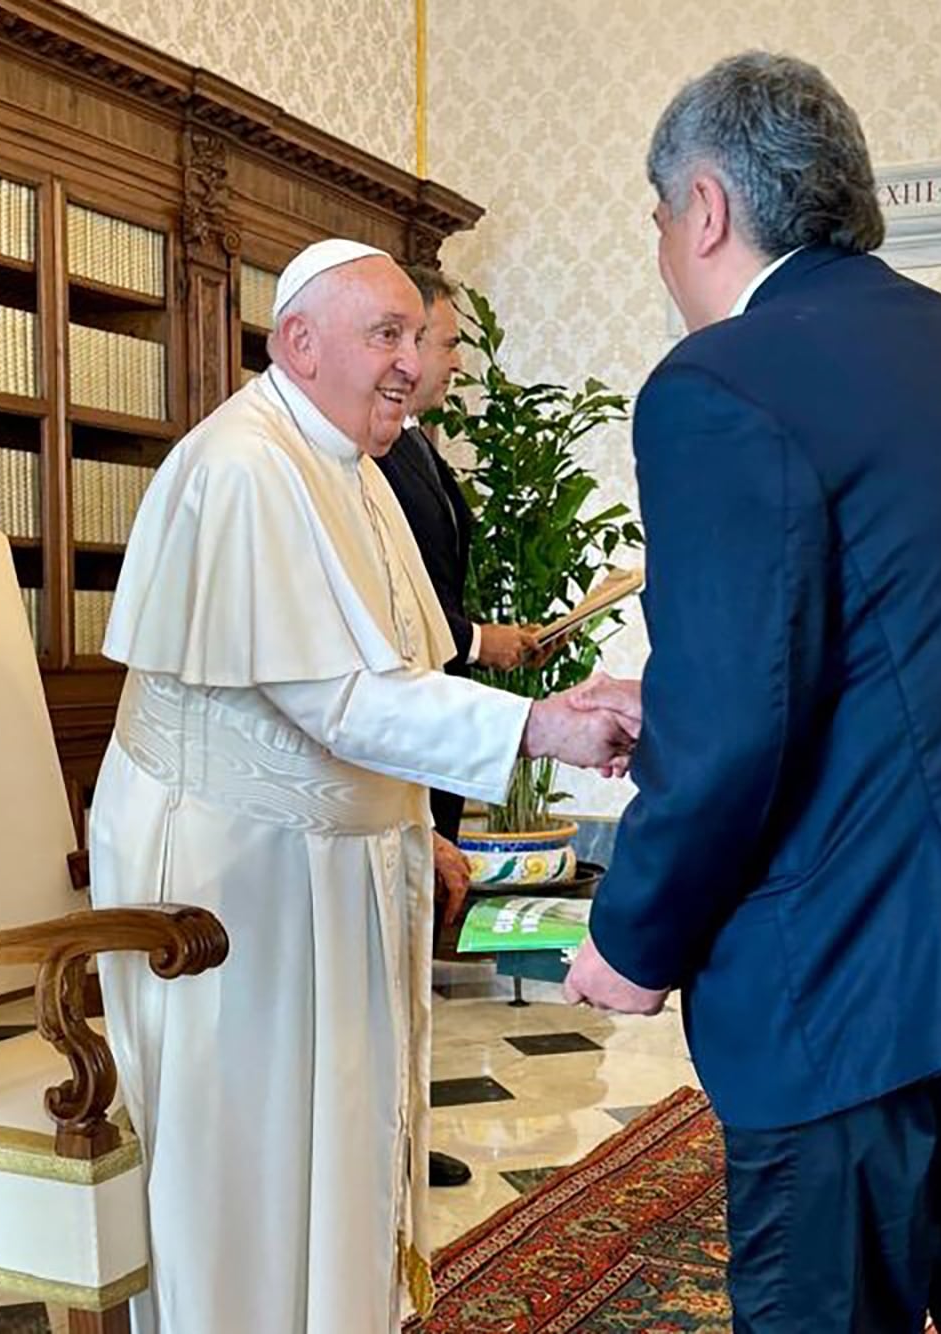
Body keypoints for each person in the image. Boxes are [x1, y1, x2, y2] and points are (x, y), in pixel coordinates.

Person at [561, 52, 941, 1333]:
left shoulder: (717, 381)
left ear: (710, 207)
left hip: (868, 974)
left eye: (660, 218)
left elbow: (733, 725)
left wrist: (629, 939)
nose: (665, 250)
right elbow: (930, 645)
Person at [88, 238, 637, 1333]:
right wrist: (541, 724)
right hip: (226, 882)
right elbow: (333, 696)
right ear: (300, 340)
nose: (411, 364)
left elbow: (395, 672)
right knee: (247, 1159)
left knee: (336, 1143)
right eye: (386, 335)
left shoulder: (350, 461)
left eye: (413, 338)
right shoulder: (244, 464)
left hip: (326, 859)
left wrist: (405, 823)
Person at [376, 263, 537, 1189]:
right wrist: (482, 640)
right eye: (441, 342)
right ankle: (389, 1135)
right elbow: (404, 615)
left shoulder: (417, 446)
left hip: (430, 714)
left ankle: (402, 1128)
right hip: (408, 718)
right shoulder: (377, 454)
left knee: (420, 929)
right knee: (402, 932)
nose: (439, 360)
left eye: (426, 345)